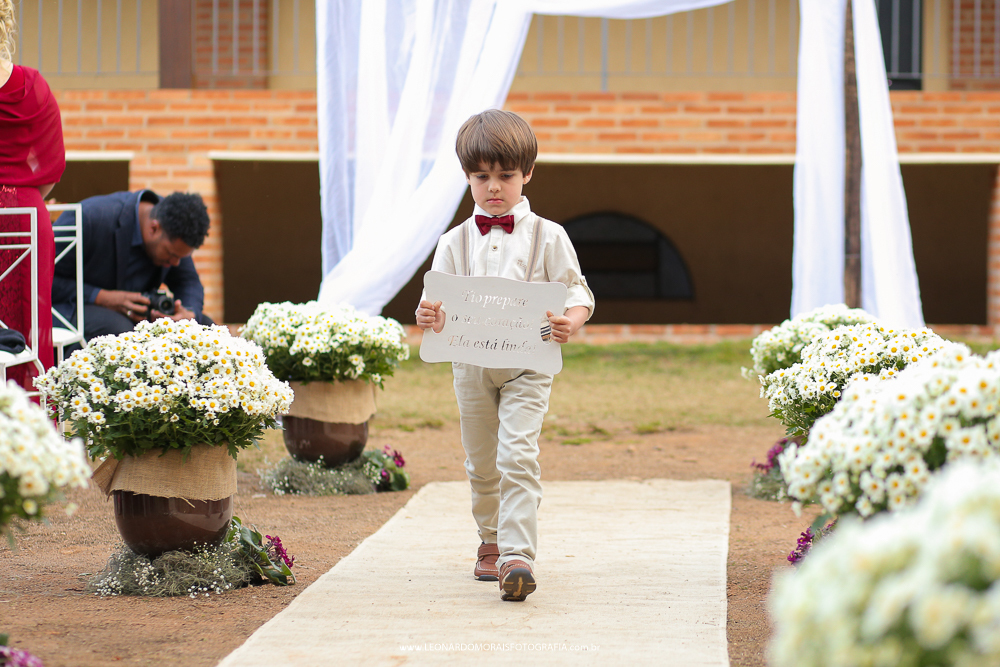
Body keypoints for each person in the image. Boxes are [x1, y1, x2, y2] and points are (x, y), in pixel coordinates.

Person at [415, 109, 594, 601]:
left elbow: (579, 294)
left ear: (527, 174)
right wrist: (429, 317)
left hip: (529, 365)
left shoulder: (549, 235)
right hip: (470, 366)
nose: (494, 187)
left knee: (518, 453)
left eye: (506, 176)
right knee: (481, 461)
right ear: (468, 177)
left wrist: (569, 321)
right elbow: (435, 302)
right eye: (481, 177)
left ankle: (518, 555)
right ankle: (489, 540)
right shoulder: (453, 242)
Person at [0, 0, 65, 392]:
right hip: (26, 215)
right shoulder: (33, 87)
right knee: (26, 328)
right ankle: (28, 428)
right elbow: (49, 171)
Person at [52, 190, 214, 341]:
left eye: (180, 257)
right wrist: (100, 297)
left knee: (205, 327)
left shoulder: (177, 227)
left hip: (134, 317)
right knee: (122, 331)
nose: (175, 263)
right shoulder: (90, 217)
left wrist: (187, 313)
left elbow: (188, 281)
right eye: (171, 255)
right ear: (154, 228)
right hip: (70, 309)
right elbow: (40, 277)